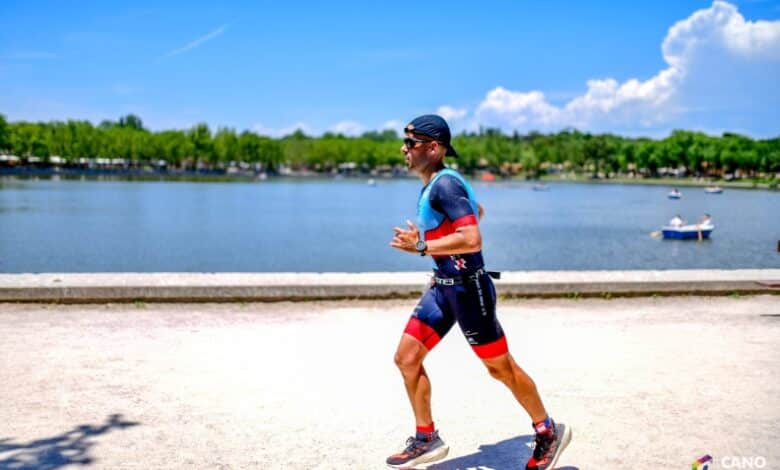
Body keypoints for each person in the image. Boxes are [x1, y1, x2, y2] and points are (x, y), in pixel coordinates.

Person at [387, 115, 571, 470]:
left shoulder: (445, 185)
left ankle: (548, 431)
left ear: (433, 147)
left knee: (501, 369)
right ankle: (426, 438)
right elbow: (477, 213)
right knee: (407, 359)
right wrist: (442, 258)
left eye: (411, 143)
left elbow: (472, 238)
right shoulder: (435, 184)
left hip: (471, 293)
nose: (404, 149)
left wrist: (423, 245)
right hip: (443, 291)